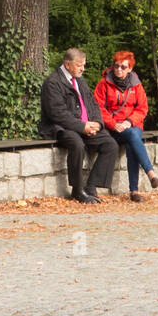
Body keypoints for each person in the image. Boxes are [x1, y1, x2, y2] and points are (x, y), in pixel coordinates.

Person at [39, 48, 118, 203]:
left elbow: (93, 104)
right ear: (67, 65)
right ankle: (77, 190)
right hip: (61, 127)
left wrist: (97, 123)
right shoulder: (53, 82)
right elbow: (57, 114)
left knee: (110, 144)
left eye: (84, 65)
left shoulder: (80, 80)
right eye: (79, 65)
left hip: (85, 126)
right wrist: (82, 127)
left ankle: (91, 186)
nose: (83, 68)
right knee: (77, 144)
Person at [93, 51, 158, 202]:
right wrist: (113, 124)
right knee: (133, 136)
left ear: (130, 68)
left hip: (132, 124)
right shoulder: (104, 83)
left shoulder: (136, 84)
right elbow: (98, 108)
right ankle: (150, 174)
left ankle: (134, 191)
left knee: (132, 138)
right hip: (113, 127)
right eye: (116, 66)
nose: (119, 70)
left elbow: (142, 108)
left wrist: (129, 121)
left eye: (123, 67)